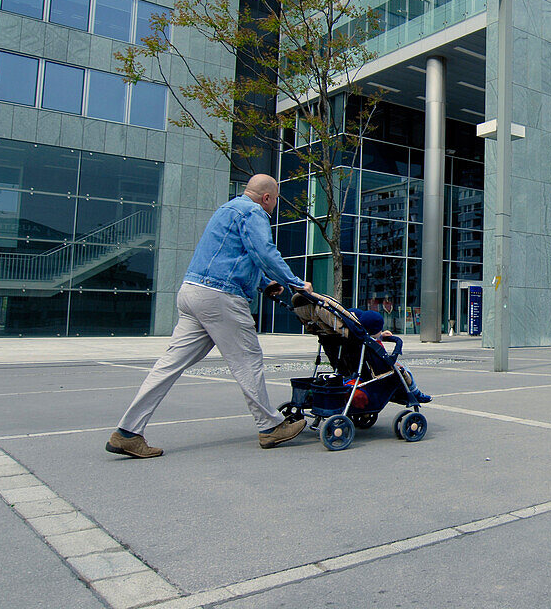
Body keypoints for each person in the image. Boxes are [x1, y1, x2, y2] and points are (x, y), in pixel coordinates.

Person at [106, 175, 314, 458]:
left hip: (193, 292)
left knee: (168, 366)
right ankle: (270, 427)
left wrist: (265, 283)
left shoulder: (226, 209)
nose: (274, 205)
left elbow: (235, 256)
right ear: (267, 198)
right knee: (248, 360)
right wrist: (296, 284)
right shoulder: (254, 212)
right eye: (275, 200)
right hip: (220, 298)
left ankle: (127, 432)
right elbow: (263, 251)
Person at [353, 308, 431, 403]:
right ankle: (416, 393)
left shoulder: (359, 339)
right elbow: (382, 359)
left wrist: (380, 335)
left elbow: (372, 336)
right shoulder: (372, 345)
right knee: (405, 370)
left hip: (364, 369)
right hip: (379, 370)